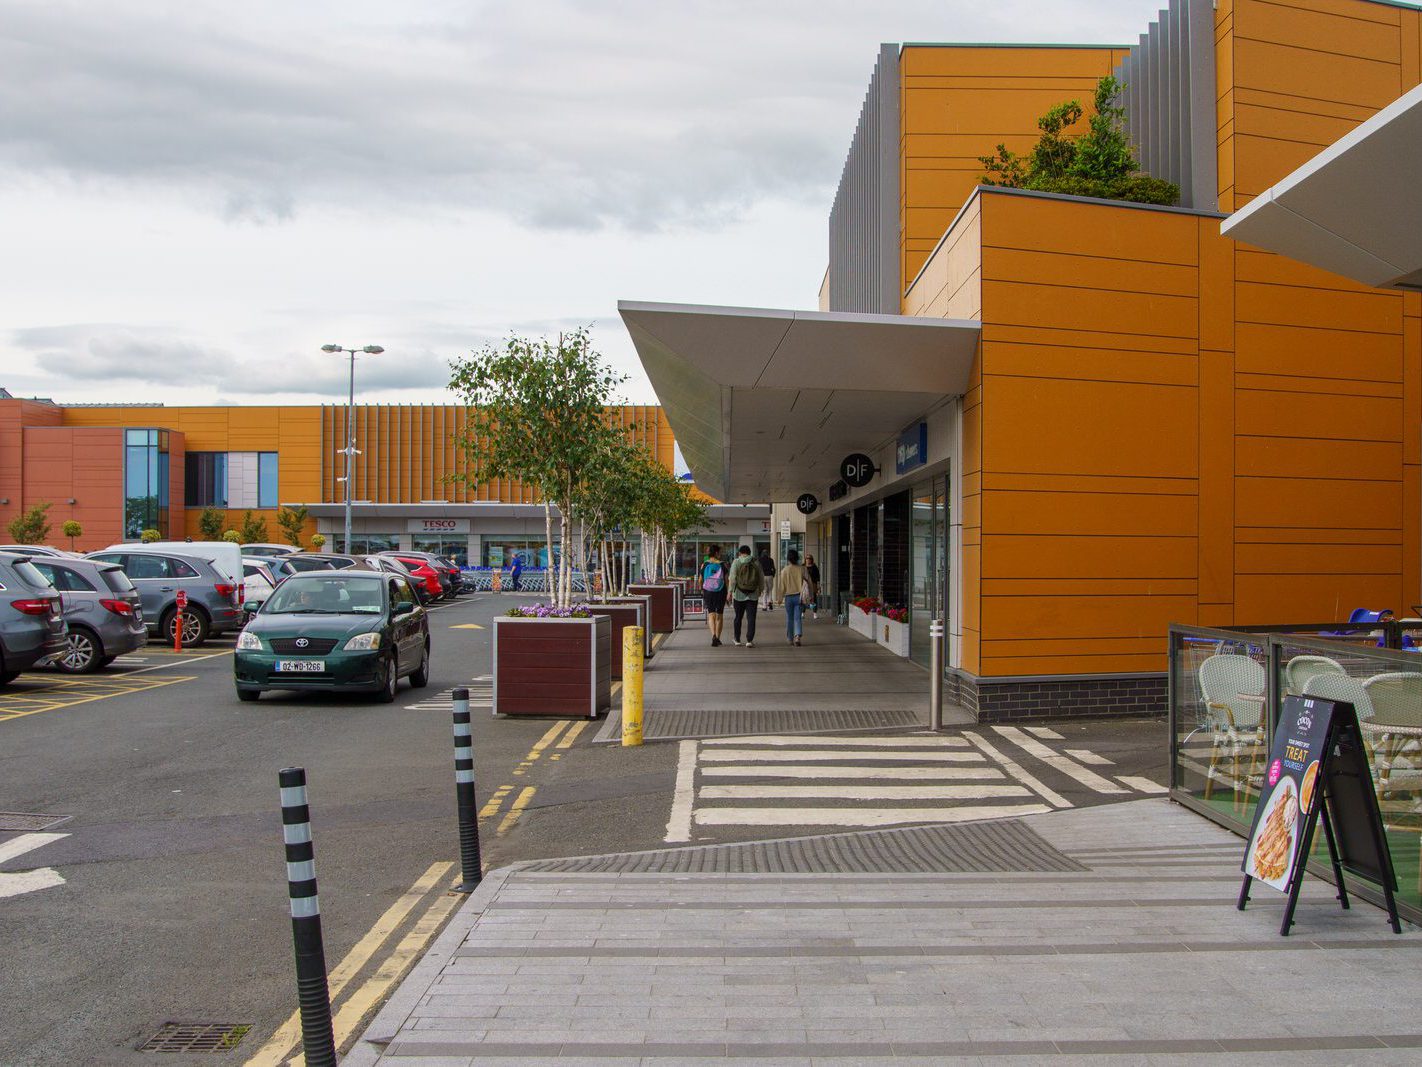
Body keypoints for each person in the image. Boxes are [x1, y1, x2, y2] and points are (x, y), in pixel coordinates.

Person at [727, 545, 763, 647]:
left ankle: (737, 639)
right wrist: (760, 589)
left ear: (740, 553)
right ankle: (749, 640)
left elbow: (732, 578)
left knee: (738, 617)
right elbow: (761, 577)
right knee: (751, 618)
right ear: (750, 552)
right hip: (753, 594)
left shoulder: (736, 562)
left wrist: (730, 592)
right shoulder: (756, 562)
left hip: (739, 594)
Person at [774, 548, 807, 646]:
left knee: (789, 618)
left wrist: (779, 599)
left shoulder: (784, 570)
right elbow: (808, 582)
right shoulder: (802, 569)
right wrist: (811, 595)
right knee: (797, 618)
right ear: (797, 558)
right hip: (799, 597)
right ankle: (797, 636)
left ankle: (790, 638)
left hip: (788, 598)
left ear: (788, 559)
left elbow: (781, 587)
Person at [700, 545, 729, 646]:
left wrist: (702, 589)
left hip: (708, 591)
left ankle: (713, 635)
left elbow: (700, 580)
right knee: (719, 615)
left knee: (711, 614)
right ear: (716, 553)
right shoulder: (723, 565)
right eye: (719, 552)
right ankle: (718, 637)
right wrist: (728, 593)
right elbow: (726, 581)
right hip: (721, 591)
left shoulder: (704, 564)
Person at [804, 554, 821, 619]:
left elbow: (818, 577)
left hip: (813, 584)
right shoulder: (803, 566)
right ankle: (802, 613)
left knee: (813, 598)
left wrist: (818, 586)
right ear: (805, 559)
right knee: (803, 598)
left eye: (809, 558)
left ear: (812, 559)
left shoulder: (814, 567)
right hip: (804, 585)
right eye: (807, 558)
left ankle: (815, 613)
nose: (808, 560)